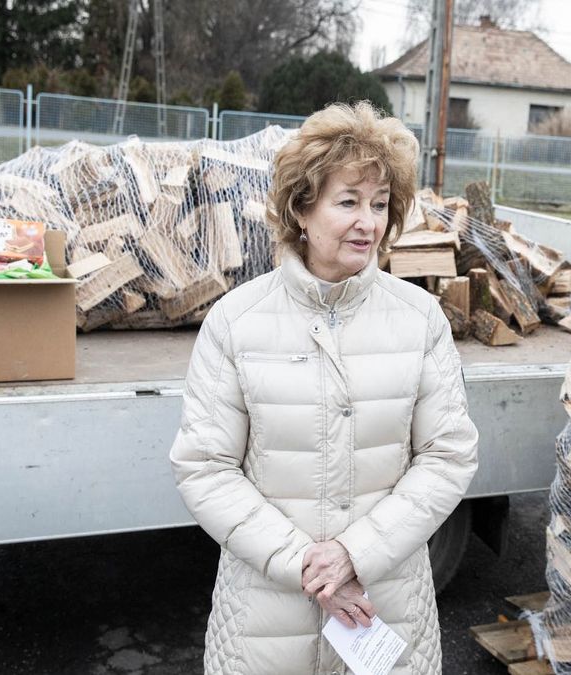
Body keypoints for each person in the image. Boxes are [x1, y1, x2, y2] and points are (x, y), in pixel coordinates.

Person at [169, 101, 479, 675]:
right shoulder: (237, 321)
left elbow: (448, 455)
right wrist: (307, 565)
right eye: (348, 201)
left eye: (380, 204)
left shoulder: (420, 319)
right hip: (265, 624)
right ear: (302, 209)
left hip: (387, 610)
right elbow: (205, 466)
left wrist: (355, 554)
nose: (369, 222)